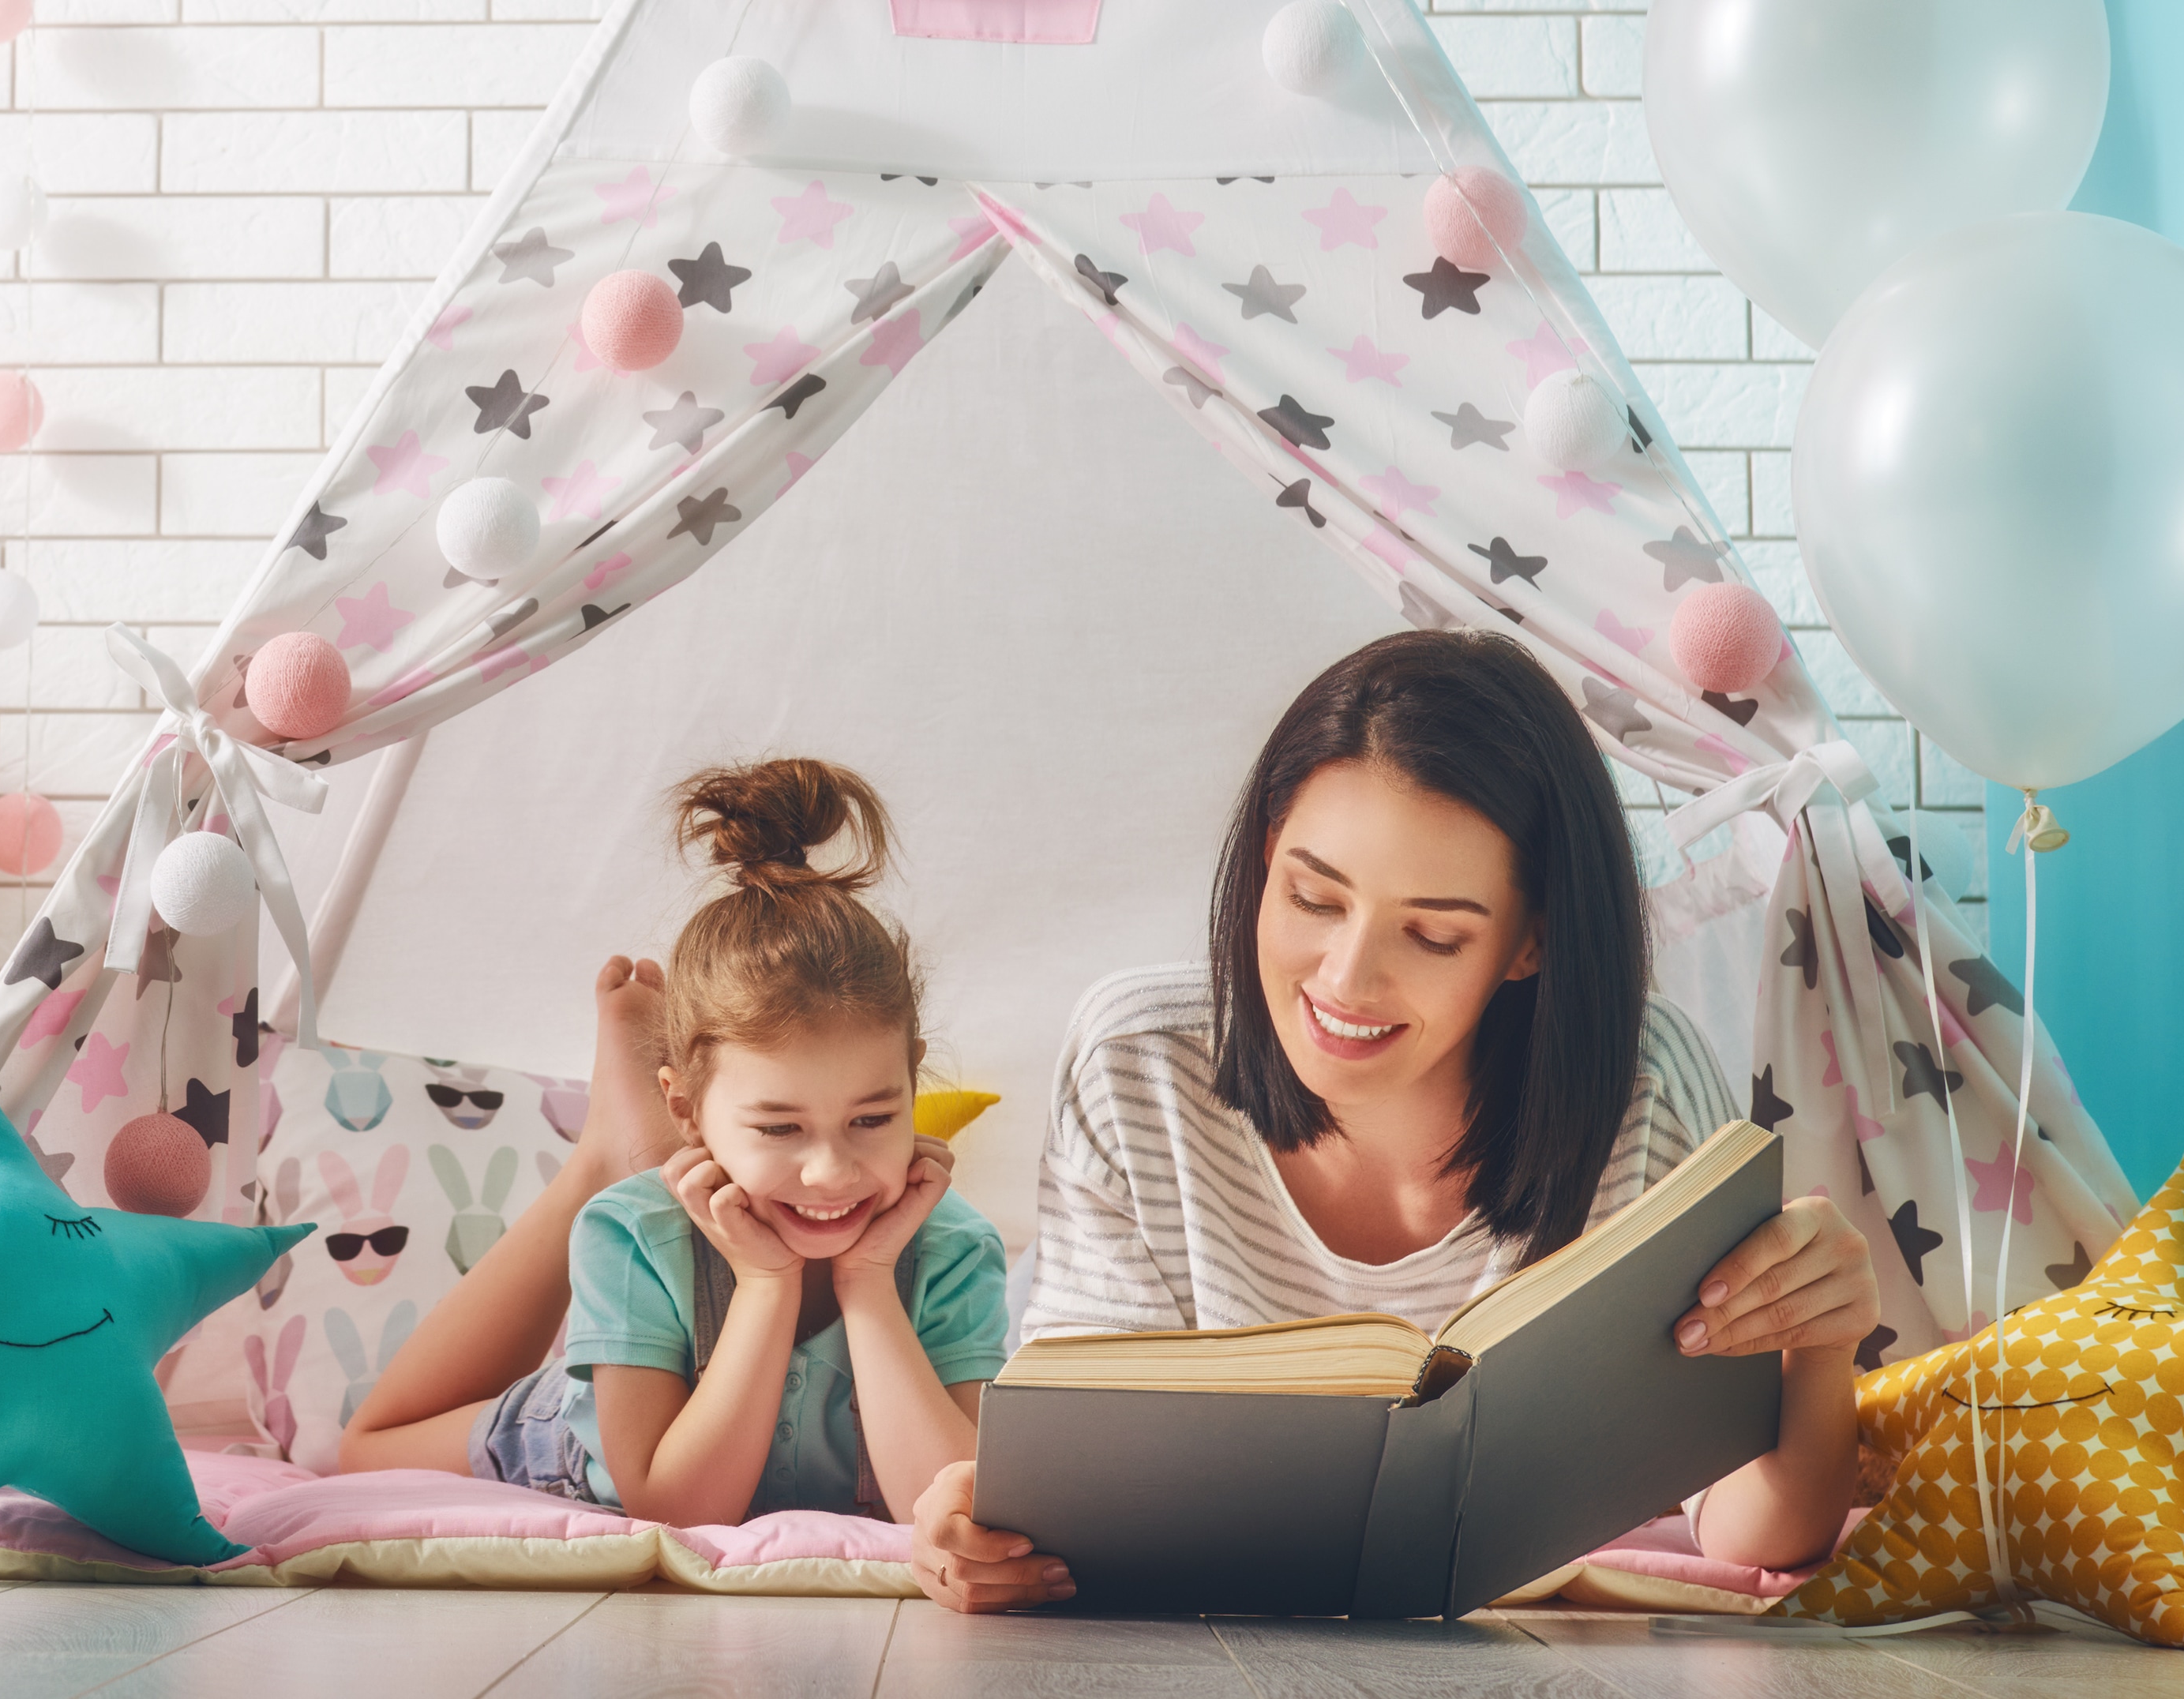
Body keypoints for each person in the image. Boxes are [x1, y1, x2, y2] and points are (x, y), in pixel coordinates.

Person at [906, 629, 1878, 1612]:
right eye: (1311, 896)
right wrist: (980, 1525)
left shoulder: (1641, 1092)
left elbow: (1756, 1534)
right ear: (1260, 861)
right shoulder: (1137, 1066)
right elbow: (1075, 1484)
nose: (1343, 978)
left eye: (1431, 934)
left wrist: (1818, 1348)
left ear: (1528, 943)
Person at [336, 758, 1008, 1527]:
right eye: (778, 1127)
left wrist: (867, 1279)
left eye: (870, 1119)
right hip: (594, 1438)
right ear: (685, 1106)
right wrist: (763, 1285)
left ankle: (638, 1143)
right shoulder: (635, 1232)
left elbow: (951, 1503)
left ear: (911, 1085)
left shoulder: (952, 1246)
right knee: (359, 1451)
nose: (829, 1173)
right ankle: (603, 1152)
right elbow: (677, 1509)